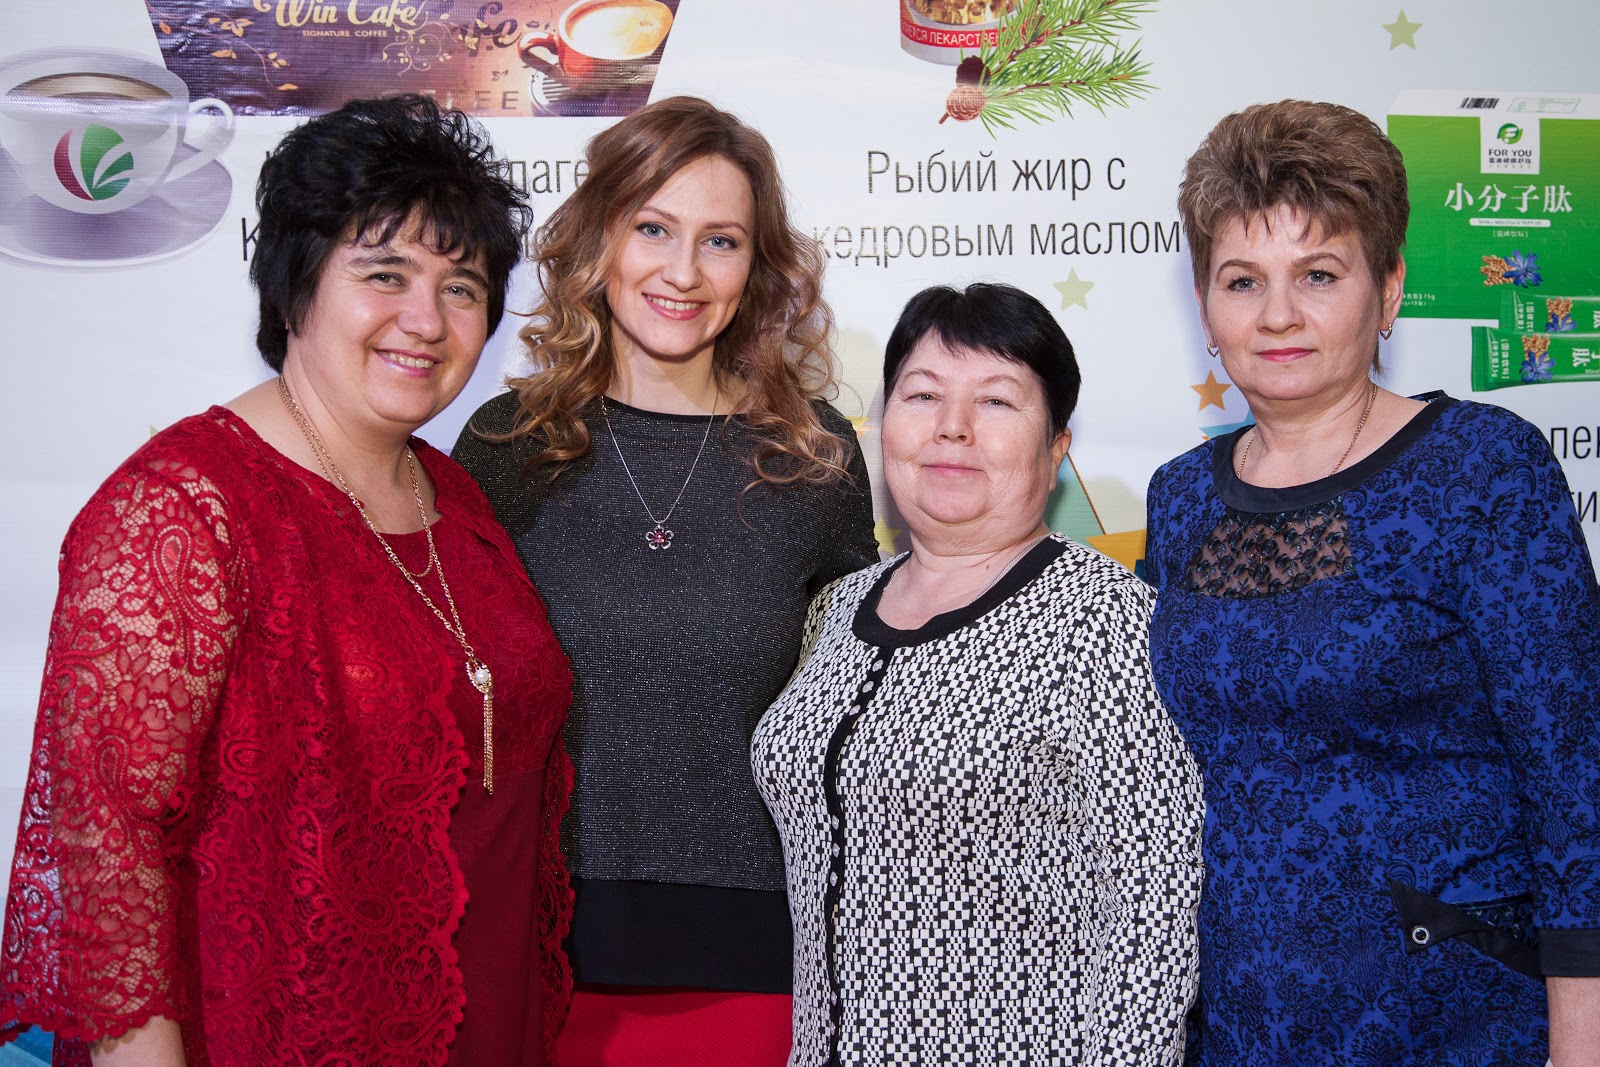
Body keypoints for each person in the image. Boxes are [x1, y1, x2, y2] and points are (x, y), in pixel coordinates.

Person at [0, 95, 574, 1066]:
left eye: (462, 286)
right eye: (384, 273)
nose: (426, 320)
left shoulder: (458, 499)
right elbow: (110, 856)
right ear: (295, 281)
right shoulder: (183, 510)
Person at [1144, 99, 1600, 1066]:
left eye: (1319, 274)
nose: (1277, 314)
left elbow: (1577, 782)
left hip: (1453, 1020)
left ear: (1388, 289)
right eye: (1242, 280)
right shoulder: (1181, 497)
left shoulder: (1484, 468)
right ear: (1206, 307)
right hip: (1239, 1022)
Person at [452, 95, 878, 1065]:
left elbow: (852, 712)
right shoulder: (507, 446)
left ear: (757, 266)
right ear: (599, 239)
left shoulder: (812, 455)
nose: (682, 272)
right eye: (653, 228)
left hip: (757, 958)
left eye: (720, 240)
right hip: (540, 951)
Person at [752, 282, 1203, 1066]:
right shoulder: (834, 609)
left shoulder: (1107, 621)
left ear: (1056, 448)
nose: (952, 426)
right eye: (923, 394)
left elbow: (1153, 918)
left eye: (996, 400)